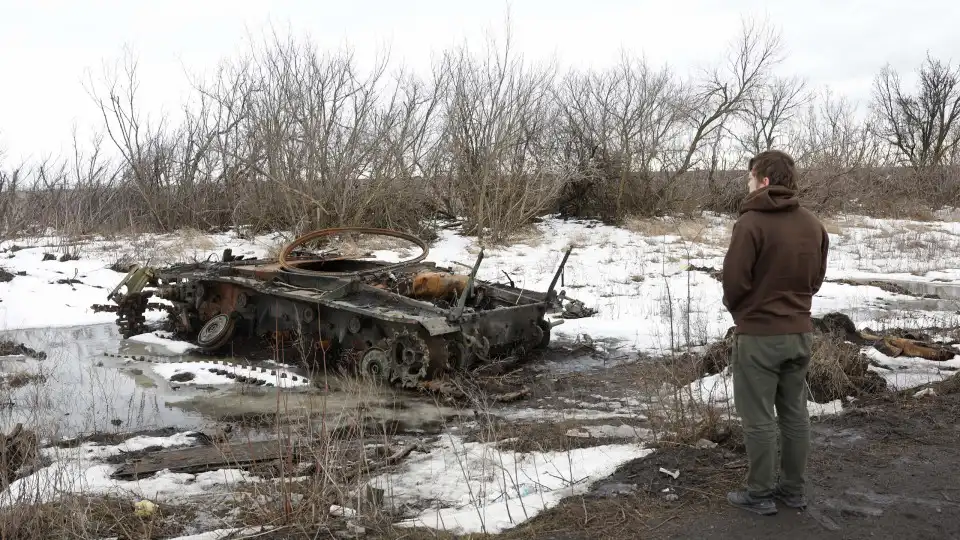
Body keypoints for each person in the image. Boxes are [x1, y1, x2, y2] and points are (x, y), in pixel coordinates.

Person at [721, 149, 830, 516]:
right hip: (799, 332)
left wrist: (745, 313)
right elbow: (815, 280)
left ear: (764, 180)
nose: (748, 183)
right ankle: (793, 491)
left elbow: (734, 282)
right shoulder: (813, 224)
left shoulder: (750, 223)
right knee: (794, 413)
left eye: (751, 177)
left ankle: (760, 494)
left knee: (758, 417)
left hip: (758, 337)